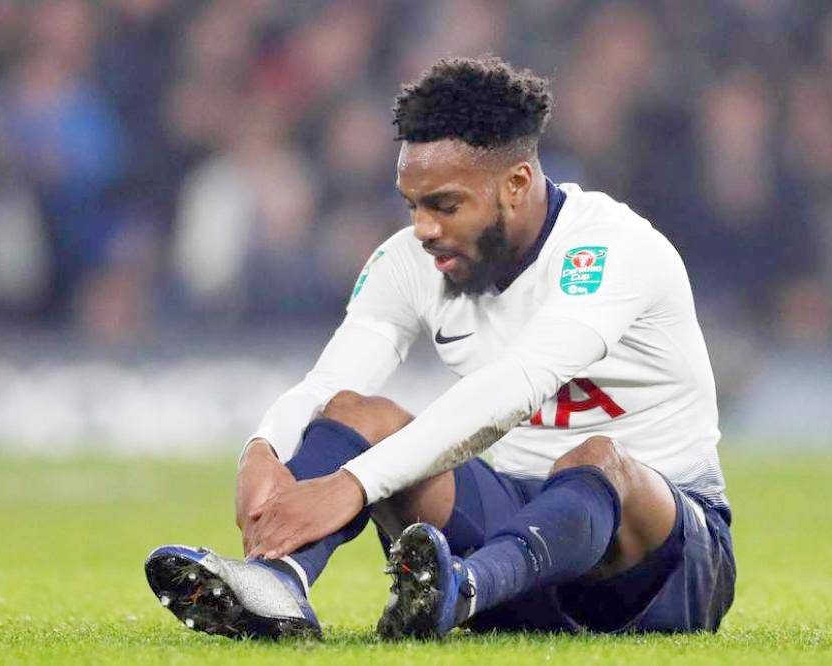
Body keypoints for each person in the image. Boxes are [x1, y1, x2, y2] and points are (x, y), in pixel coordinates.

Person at [145, 56, 735, 639]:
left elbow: (516, 385)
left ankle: (460, 588)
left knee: (598, 459)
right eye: (413, 205)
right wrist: (263, 448)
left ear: (516, 184)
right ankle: (275, 582)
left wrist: (353, 484)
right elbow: (328, 384)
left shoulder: (610, 250)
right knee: (357, 413)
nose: (424, 228)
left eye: (445, 205)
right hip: (518, 541)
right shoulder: (410, 260)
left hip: (663, 565)